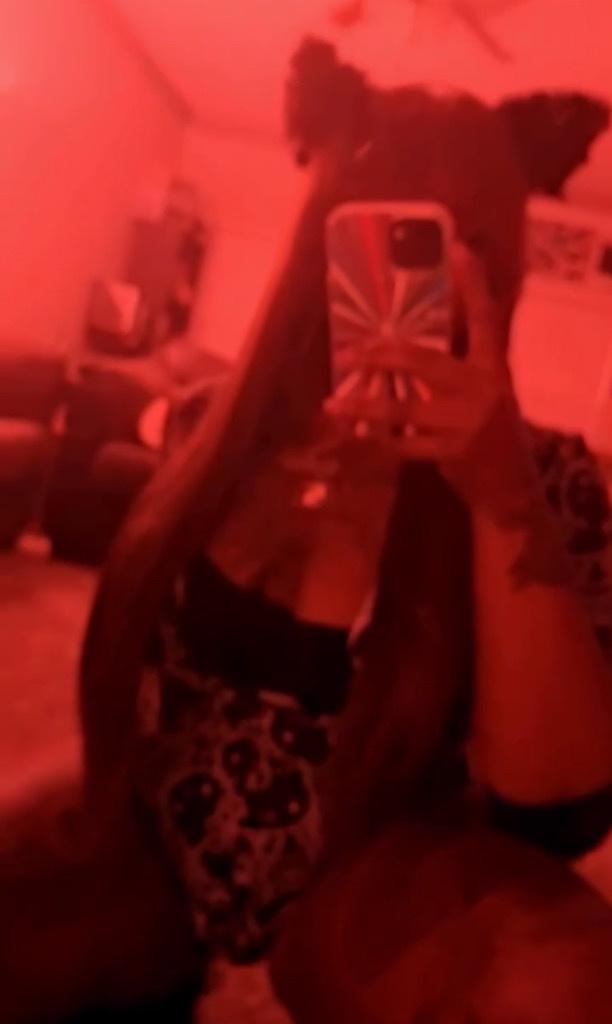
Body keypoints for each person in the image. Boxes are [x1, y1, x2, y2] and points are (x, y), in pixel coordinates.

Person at [1, 37, 612, 1023]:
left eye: (462, 246)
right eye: (379, 234)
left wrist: (499, 490)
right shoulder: (215, 430)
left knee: (559, 990)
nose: (416, 284)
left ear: (500, 271)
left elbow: (563, 802)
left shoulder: (551, 483)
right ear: (320, 243)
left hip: (369, 880)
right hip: (157, 826)